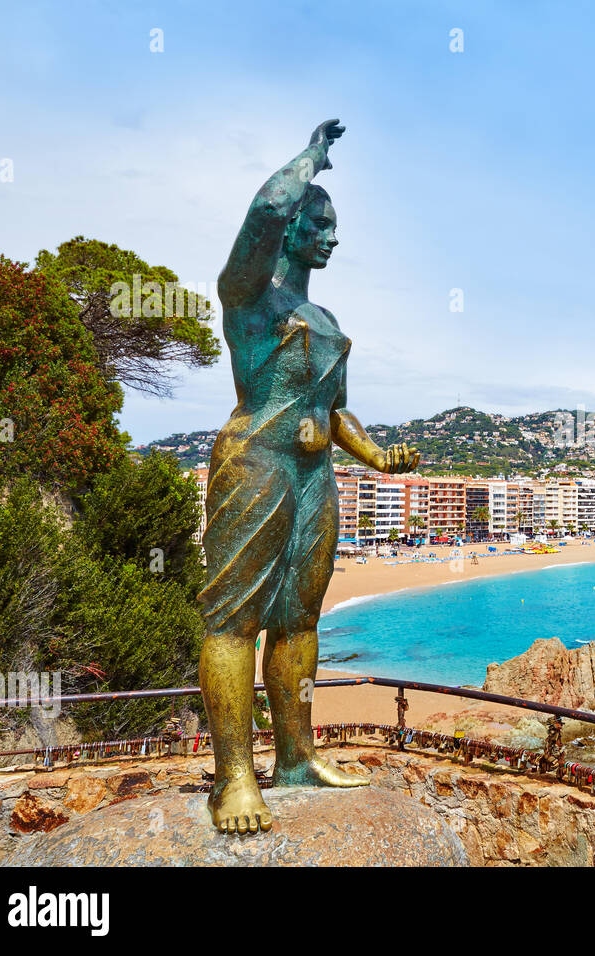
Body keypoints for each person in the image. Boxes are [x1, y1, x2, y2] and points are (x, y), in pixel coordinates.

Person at [197, 119, 419, 833]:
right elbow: (263, 210)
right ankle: (235, 776)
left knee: (298, 623)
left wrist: (379, 457)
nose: (332, 237)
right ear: (290, 228)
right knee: (233, 621)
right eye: (319, 223)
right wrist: (311, 159)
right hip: (256, 463)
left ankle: (294, 758)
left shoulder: (322, 316)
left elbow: (337, 409)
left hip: (315, 474)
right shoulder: (248, 296)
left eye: (334, 225)